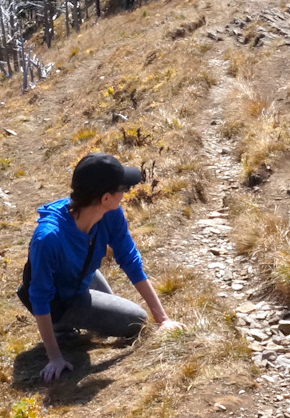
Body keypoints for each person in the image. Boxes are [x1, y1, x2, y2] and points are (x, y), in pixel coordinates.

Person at [24, 153, 176, 383]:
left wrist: (163, 319)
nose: (125, 194)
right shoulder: (48, 237)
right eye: (122, 188)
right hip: (59, 299)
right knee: (135, 320)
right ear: (106, 197)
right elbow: (39, 295)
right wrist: (54, 357)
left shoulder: (110, 214)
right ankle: (60, 327)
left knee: (119, 315)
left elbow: (129, 260)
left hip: (80, 275)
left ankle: (80, 321)